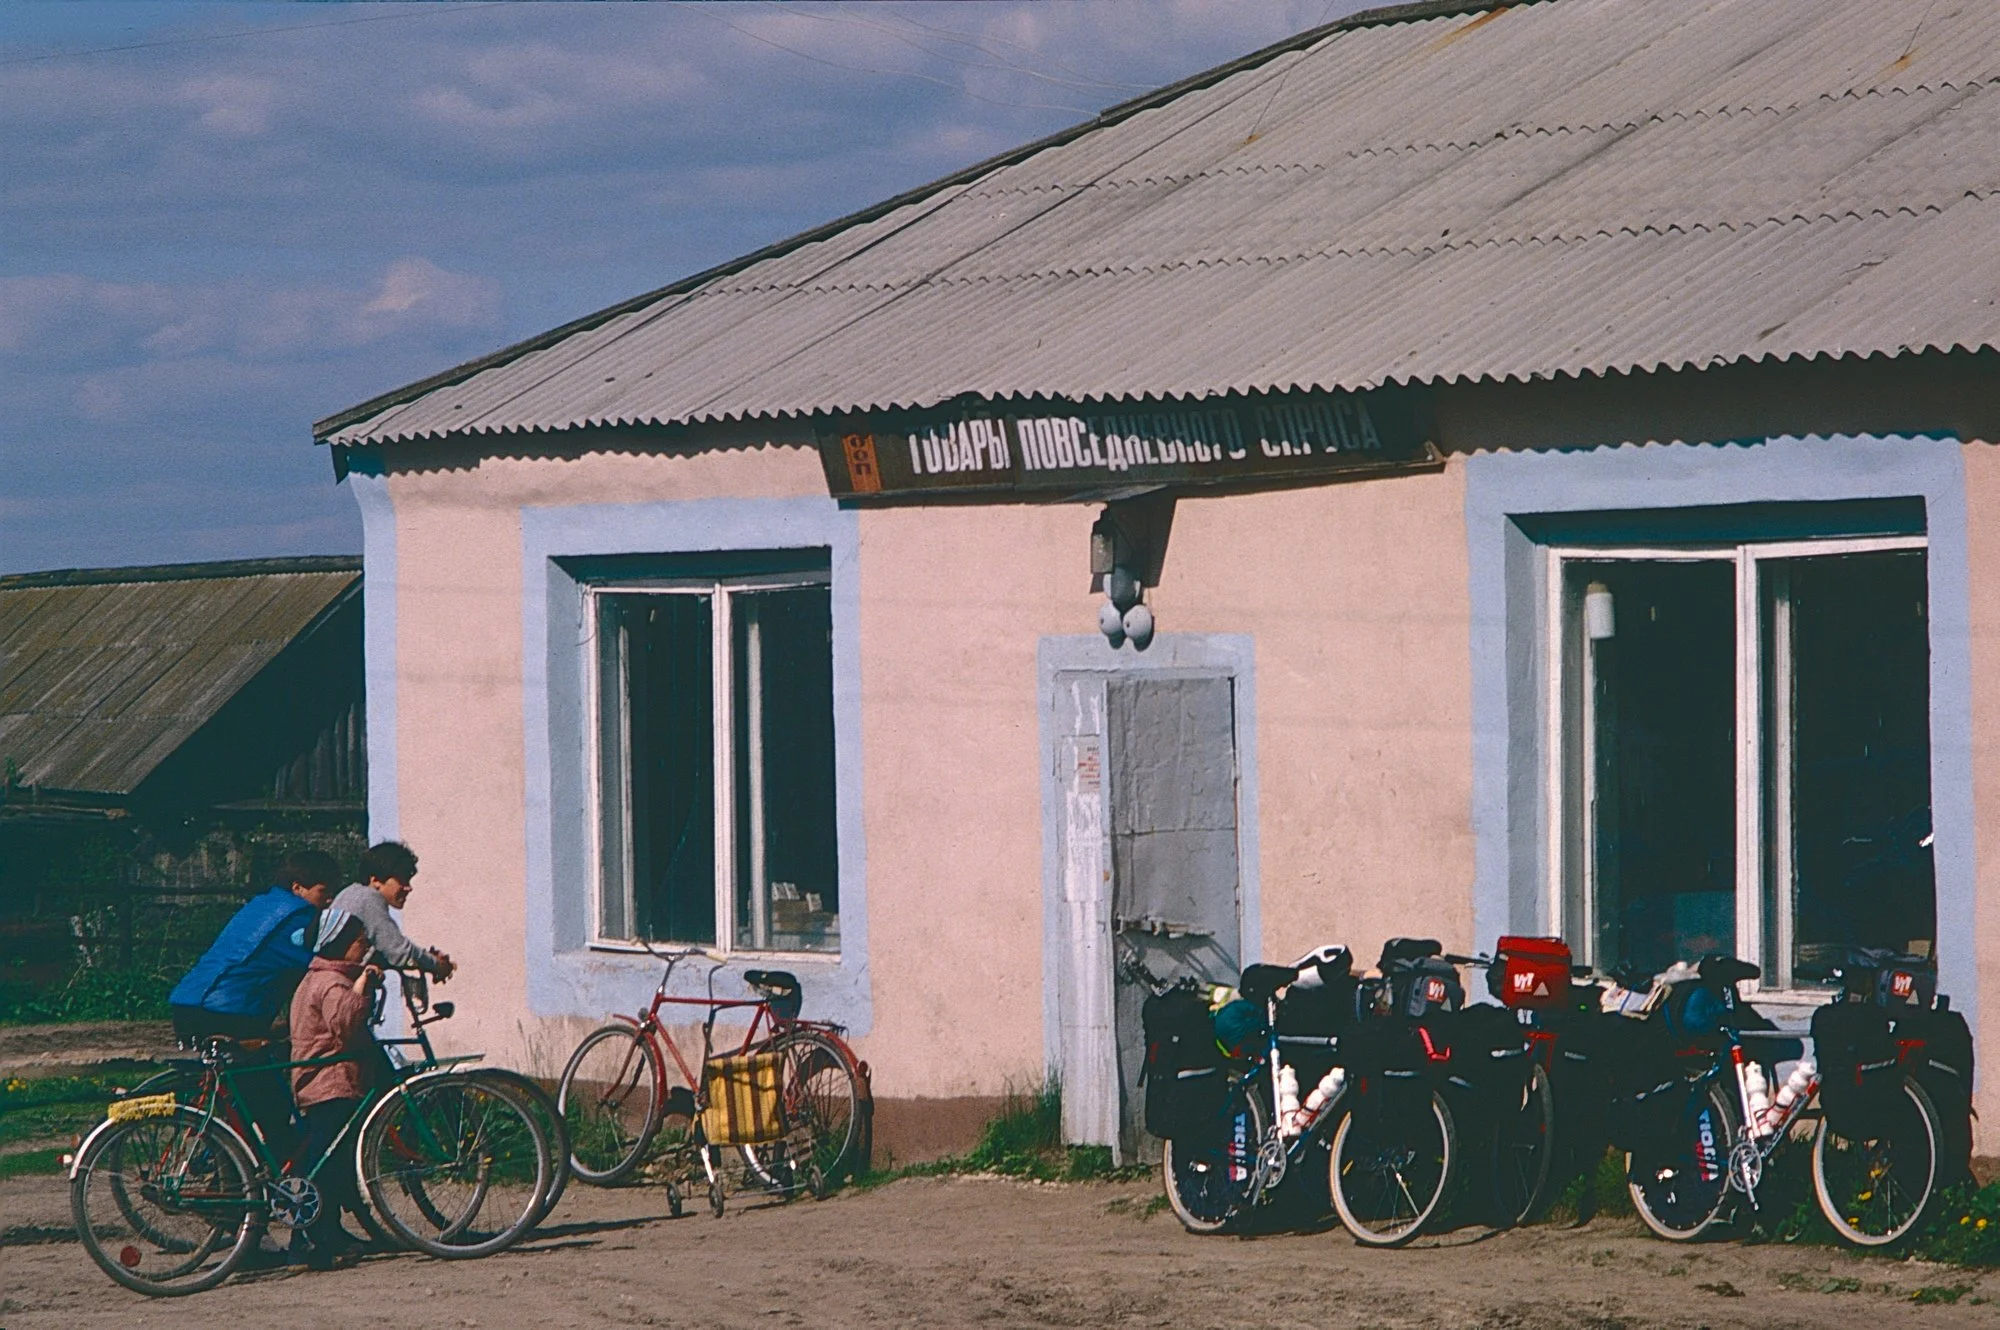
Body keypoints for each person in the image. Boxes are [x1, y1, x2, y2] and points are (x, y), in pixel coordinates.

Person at [285, 906, 380, 1269]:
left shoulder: (316, 978)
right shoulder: (331, 983)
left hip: (321, 1081)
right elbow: (348, 1025)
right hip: (330, 1083)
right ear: (340, 945)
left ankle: (328, 1231)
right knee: (323, 1164)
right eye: (359, 941)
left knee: (331, 1160)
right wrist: (364, 985)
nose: (365, 946)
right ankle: (309, 1237)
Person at [332, 841, 455, 982]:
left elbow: (386, 950)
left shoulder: (350, 893)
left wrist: (426, 958)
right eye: (402, 880)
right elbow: (400, 952)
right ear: (376, 880)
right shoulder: (369, 899)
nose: (408, 888)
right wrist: (437, 965)